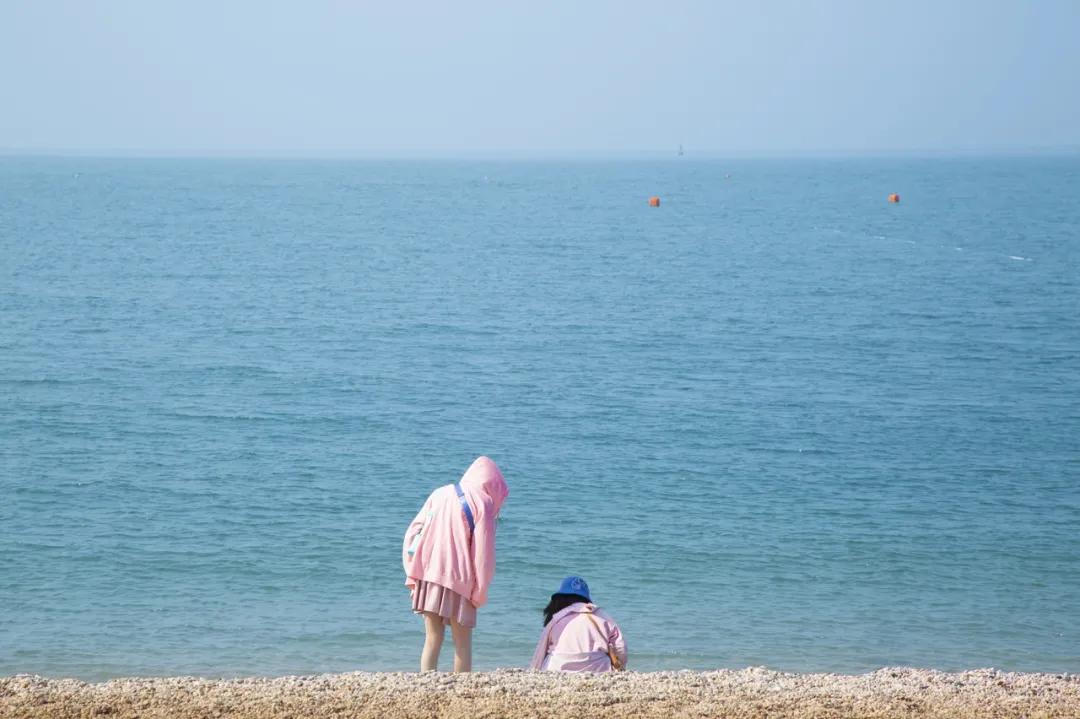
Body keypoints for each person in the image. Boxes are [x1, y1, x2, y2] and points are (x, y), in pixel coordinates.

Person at [403, 456, 508, 672]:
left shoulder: (439, 493)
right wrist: (480, 592)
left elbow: (413, 531)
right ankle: (462, 689)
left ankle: (425, 683)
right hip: (460, 580)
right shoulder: (484, 503)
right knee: (462, 642)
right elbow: (483, 556)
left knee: (432, 637)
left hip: (427, 573)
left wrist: (412, 569)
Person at [529, 576, 627, 672]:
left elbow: (540, 653)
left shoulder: (556, 619)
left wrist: (534, 671)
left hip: (556, 668)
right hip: (598, 669)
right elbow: (620, 647)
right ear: (586, 598)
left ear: (560, 598)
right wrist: (619, 666)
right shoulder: (601, 615)